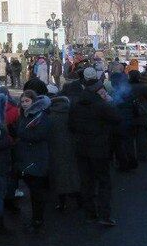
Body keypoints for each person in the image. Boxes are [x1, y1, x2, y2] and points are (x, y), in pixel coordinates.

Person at [69, 67, 120, 226]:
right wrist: (109, 102)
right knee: (103, 182)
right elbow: (117, 119)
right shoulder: (101, 105)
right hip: (99, 149)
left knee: (87, 181)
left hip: (82, 148)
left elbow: (71, 126)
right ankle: (104, 215)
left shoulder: (76, 105)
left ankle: (90, 213)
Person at [15, 91, 51, 231]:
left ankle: (37, 220)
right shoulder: (27, 115)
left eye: (27, 101)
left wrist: (22, 134)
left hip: (37, 157)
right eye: (22, 101)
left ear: (33, 101)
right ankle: (36, 219)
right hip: (29, 157)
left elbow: (39, 134)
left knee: (37, 192)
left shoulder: (41, 116)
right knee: (34, 191)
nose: (24, 104)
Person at [47, 94, 80, 211]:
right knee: (74, 174)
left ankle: (62, 203)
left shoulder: (49, 116)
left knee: (59, 177)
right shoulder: (72, 113)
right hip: (72, 147)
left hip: (55, 149)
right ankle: (79, 200)